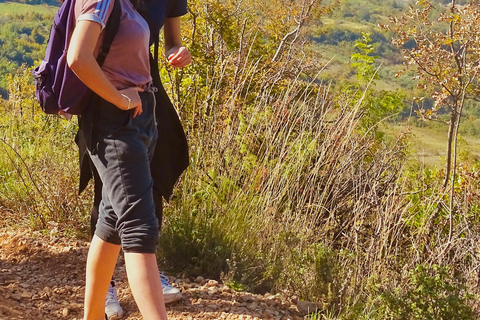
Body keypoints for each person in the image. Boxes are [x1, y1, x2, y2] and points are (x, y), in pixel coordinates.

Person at [67, 0, 191, 318]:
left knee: (111, 222)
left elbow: (159, 43)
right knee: (139, 228)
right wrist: (120, 98)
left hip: (141, 113)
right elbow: (77, 58)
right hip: (113, 120)